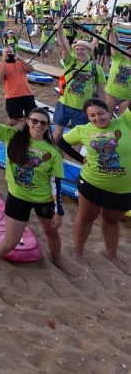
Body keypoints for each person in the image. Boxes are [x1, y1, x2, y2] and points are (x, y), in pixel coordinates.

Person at [0, 103, 66, 282]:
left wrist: (58, 211)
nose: (38, 125)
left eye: (43, 123)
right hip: (18, 197)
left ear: (48, 126)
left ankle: (57, 260)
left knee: (52, 233)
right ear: (28, 121)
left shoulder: (53, 151)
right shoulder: (12, 136)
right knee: (10, 241)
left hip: (44, 199)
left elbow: (55, 182)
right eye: (35, 121)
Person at [58, 98, 131, 272]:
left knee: (112, 220)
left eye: (101, 113)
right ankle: (77, 252)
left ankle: (112, 255)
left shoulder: (125, 122)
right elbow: (61, 142)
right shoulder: (82, 130)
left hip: (123, 188)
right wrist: (80, 159)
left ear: (109, 112)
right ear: (87, 117)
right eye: (92, 115)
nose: (97, 118)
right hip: (92, 184)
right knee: (86, 217)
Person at [51, 29, 105, 148]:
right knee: (58, 131)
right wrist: (60, 31)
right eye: (77, 49)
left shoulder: (97, 68)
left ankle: (75, 158)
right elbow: (64, 48)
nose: (79, 51)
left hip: (82, 108)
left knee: (79, 136)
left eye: (83, 49)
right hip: (64, 103)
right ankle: (51, 151)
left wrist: (104, 106)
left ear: (89, 51)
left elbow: (100, 89)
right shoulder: (70, 61)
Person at [0, 45, 37, 125]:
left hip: (27, 94)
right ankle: (2, 134)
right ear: (2, 54)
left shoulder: (20, 63)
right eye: (6, 52)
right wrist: (4, 62)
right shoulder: (0, 65)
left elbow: (32, 69)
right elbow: (0, 77)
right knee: (14, 120)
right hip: (13, 96)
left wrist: (20, 59)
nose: (9, 54)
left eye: (10, 52)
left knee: (32, 118)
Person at [103, 27, 131, 114]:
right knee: (106, 115)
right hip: (111, 94)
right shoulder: (118, 58)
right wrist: (111, 32)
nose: (130, 51)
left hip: (127, 97)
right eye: (129, 50)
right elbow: (113, 45)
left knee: (122, 121)